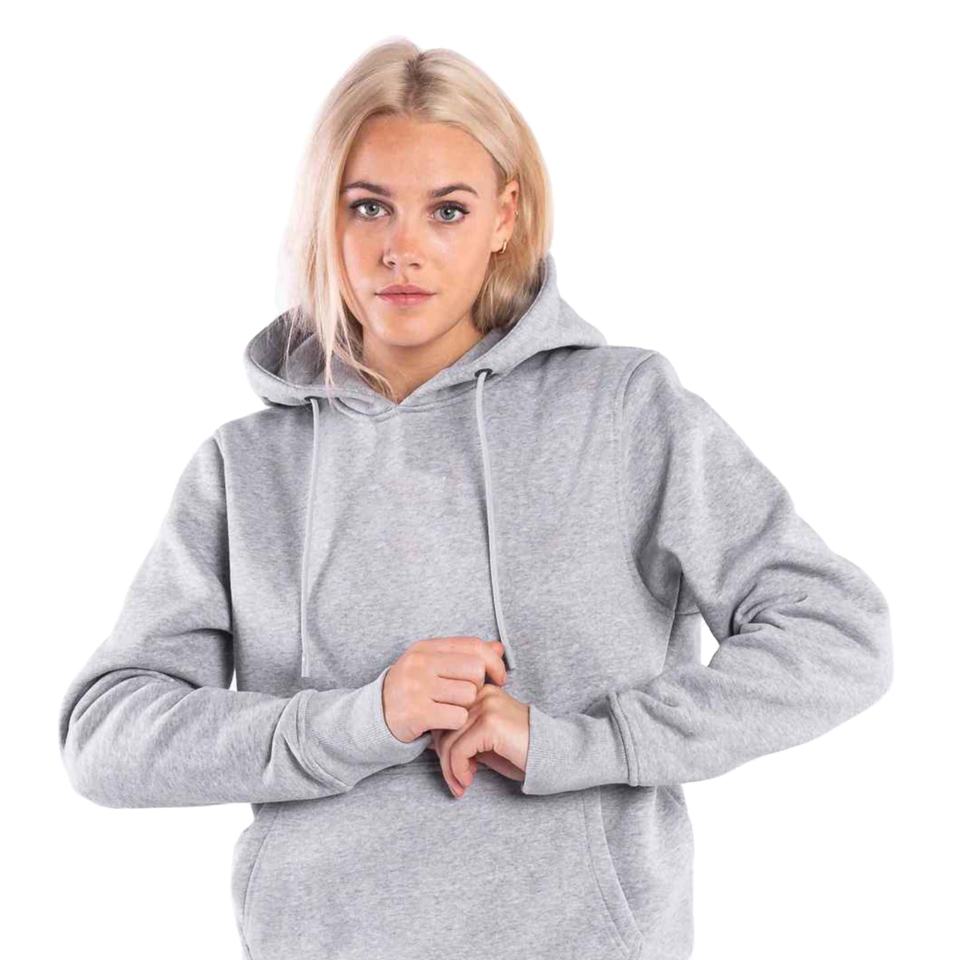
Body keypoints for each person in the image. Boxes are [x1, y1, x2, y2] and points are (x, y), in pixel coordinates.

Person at [57, 38, 894, 960]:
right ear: (325, 219)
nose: (402, 248)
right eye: (368, 206)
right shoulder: (246, 467)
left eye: (446, 210)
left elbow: (837, 635)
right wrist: (362, 719)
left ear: (505, 217)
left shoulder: (621, 412)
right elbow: (106, 736)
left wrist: (583, 744)